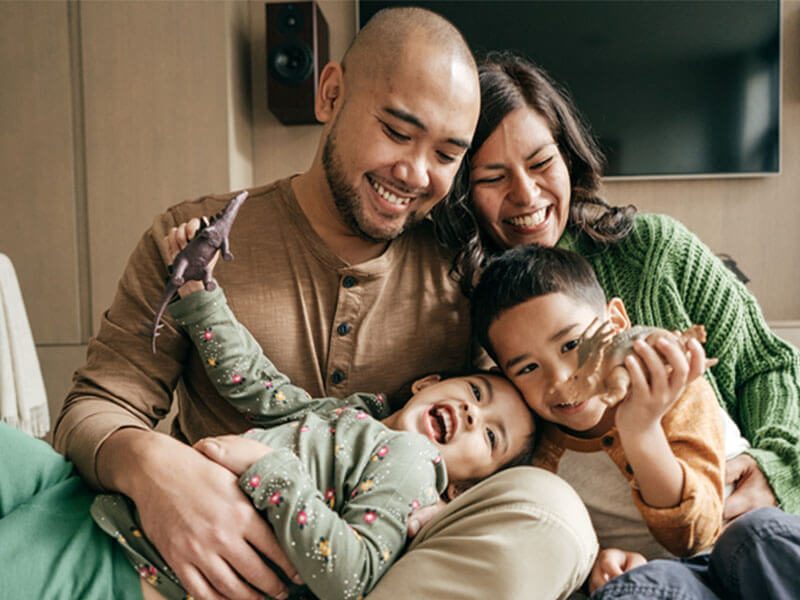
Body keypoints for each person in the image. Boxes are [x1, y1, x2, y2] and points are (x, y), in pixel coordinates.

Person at [54, 10, 596, 600]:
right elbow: (96, 405)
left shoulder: (467, 277)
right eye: (396, 131)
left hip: (370, 572)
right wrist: (156, 472)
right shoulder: (195, 239)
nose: (415, 173)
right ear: (330, 94)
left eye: (446, 155)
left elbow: (512, 431)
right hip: (183, 565)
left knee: (554, 511)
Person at [433, 50, 800, 519]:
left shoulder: (655, 249)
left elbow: (764, 366)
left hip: (729, 512)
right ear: (463, 191)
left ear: (568, 158)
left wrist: (778, 466)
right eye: (493, 177)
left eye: (542, 163)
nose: (526, 194)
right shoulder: (450, 292)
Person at [89, 229, 537, 600]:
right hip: (137, 521)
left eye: (492, 437)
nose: (473, 414)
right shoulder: (351, 418)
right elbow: (256, 385)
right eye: (476, 392)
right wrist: (202, 296)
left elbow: (350, 577)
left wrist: (269, 468)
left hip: (155, 572)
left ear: (462, 489)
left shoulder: (414, 466)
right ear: (428, 383)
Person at [471, 243, 800, 599]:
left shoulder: (677, 390)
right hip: (664, 579)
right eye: (528, 368)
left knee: (758, 535)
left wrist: (640, 431)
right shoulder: (539, 452)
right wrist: (595, 563)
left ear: (616, 322)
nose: (561, 379)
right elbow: (545, 537)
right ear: (503, 374)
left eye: (572, 345)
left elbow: (696, 533)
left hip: (740, 547)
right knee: (628, 591)